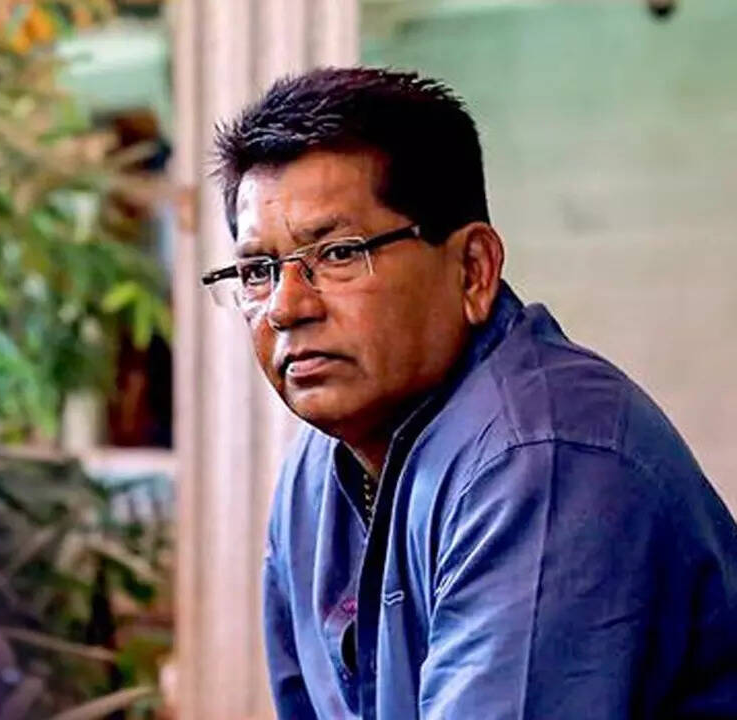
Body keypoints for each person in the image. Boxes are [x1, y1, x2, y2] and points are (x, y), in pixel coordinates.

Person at [202, 67, 737, 719]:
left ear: (473, 269)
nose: (286, 307)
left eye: (340, 254)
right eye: (258, 271)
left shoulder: (544, 459)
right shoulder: (314, 473)